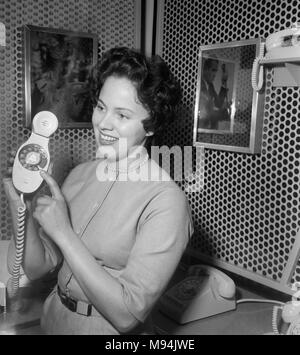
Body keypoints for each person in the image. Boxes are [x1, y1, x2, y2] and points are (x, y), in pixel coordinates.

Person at [3, 47, 194, 335]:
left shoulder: (165, 201)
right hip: (53, 320)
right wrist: (21, 204)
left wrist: (64, 232)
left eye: (122, 115)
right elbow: (38, 267)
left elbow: (127, 315)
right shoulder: (79, 175)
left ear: (151, 125)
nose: (103, 123)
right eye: (101, 107)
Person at [198, 57, 230, 130]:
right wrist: (224, 113)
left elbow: (218, 104)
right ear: (205, 69)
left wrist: (224, 81)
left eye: (216, 71)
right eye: (213, 70)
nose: (215, 74)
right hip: (202, 128)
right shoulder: (198, 84)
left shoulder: (210, 85)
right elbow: (207, 113)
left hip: (211, 129)